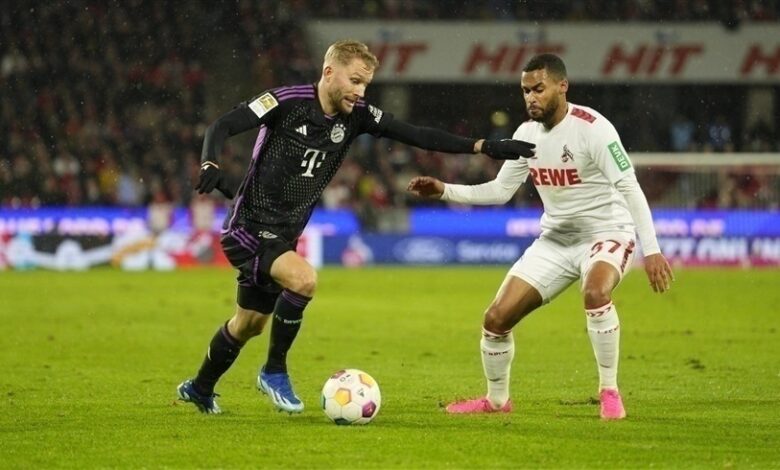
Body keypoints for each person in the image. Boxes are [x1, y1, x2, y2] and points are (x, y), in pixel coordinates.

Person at [176, 40, 535, 414]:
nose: (360, 92)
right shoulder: (286, 101)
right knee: (303, 280)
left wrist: (483, 146)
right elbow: (223, 125)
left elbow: (416, 134)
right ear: (330, 72)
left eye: (366, 84)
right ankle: (274, 370)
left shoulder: (357, 114)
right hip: (248, 226)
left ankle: (200, 388)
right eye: (355, 81)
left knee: (248, 324)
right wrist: (209, 163)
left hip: (284, 234)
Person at [407, 53, 673, 420]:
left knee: (595, 293)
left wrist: (652, 250)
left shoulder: (593, 128)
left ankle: (609, 391)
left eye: (539, 89)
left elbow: (630, 188)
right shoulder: (525, 135)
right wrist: (444, 191)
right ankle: (497, 401)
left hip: (607, 231)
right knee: (495, 320)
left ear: (562, 87)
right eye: (525, 91)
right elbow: (500, 191)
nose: (531, 97)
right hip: (556, 239)